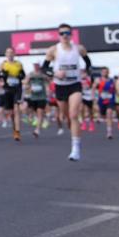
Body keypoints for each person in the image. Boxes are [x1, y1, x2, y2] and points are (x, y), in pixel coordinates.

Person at [43, 23, 92, 161]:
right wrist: (55, 72)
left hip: (75, 85)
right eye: (62, 33)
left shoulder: (79, 49)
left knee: (74, 114)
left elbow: (89, 63)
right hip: (60, 86)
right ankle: (74, 135)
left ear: (71, 34)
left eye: (67, 33)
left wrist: (85, 71)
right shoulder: (53, 50)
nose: (65, 35)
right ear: (58, 35)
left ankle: (75, 149)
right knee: (68, 118)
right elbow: (44, 69)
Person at [0, 48, 26, 142]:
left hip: (17, 89)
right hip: (7, 90)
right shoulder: (2, 64)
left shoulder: (19, 64)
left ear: (14, 54)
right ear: (6, 54)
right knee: (10, 112)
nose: (10, 54)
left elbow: (23, 75)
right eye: (8, 53)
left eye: (11, 52)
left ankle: (17, 132)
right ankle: (14, 126)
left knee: (17, 109)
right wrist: (1, 82)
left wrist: (19, 76)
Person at [25, 63, 50, 138]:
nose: (36, 66)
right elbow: (25, 83)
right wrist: (28, 85)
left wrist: (45, 78)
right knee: (31, 111)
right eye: (34, 65)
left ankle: (37, 130)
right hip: (33, 97)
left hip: (41, 97)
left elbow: (49, 81)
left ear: (39, 66)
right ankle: (42, 119)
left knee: (40, 112)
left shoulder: (43, 74)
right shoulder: (30, 74)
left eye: (37, 65)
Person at [95, 67, 117, 140]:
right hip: (101, 100)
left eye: (106, 72)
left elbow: (116, 89)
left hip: (110, 100)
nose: (105, 73)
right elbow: (93, 88)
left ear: (108, 72)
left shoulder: (112, 81)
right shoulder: (98, 80)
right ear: (101, 73)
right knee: (104, 115)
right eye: (104, 72)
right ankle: (101, 118)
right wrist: (94, 98)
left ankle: (109, 132)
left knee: (109, 114)